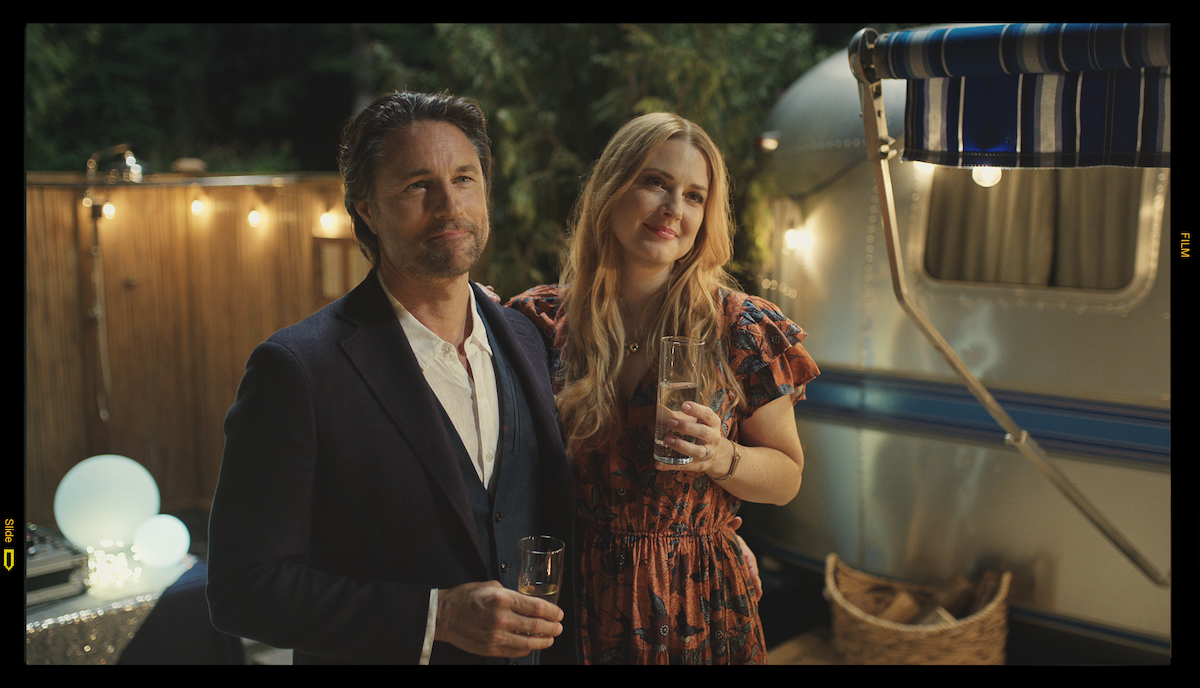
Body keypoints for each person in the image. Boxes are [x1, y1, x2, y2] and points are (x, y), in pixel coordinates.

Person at [206, 91, 576, 665]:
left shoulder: (527, 340)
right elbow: (242, 590)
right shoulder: (297, 370)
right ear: (367, 210)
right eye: (416, 186)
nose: (449, 205)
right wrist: (437, 617)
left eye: (464, 179)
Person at [506, 112, 819, 664]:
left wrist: (724, 456)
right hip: (579, 596)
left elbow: (788, 476)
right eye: (655, 182)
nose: (674, 208)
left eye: (694, 196)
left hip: (700, 598)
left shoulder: (738, 328)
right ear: (611, 188)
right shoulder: (542, 322)